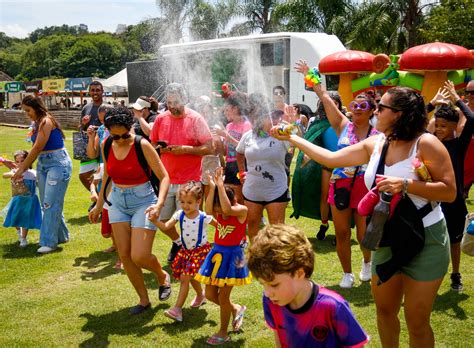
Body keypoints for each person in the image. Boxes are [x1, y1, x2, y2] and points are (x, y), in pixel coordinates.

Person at [271, 86, 456, 347]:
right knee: (385, 311)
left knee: (417, 320)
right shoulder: (377, 142)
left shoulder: (426, 143)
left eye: (381, 107)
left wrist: (404, 185)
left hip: (426, 238)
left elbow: (449, 192)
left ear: (399, 114)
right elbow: (332, 159)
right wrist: (292, 139)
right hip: (385, 235)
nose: (376, 111)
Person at [296, 60, 379, 289]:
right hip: (340, 184)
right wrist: (312, 78)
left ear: (372, 111)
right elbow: (326, 99)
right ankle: (347, 274)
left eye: (363, 106)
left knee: (363, 232)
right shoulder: (343, 125)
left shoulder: (377, 132)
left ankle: (366, 262)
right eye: (354, 104)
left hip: (364, 185)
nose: (357, 109)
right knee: (341, 233)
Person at [88, 108, 172, 315]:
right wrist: (99, 205)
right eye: (115, 136)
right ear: (108, 131)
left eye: (124, 135)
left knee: (140, 255)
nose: (120, 139)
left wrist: (159, 204)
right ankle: (143, 300)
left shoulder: (141, 145)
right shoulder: (107, 144)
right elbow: (108, 176)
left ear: (131, 128)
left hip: (144, 201)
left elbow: (164, 177)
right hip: (117, 201)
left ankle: (162, 276)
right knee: (125, 255)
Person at [247, 224, 369, 347]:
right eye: (263, 284)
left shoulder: (333, 307)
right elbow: (279, 336)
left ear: (299, 273)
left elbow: (356, 345)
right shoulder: (271, 301)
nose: (268, 292)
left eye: (274, 285)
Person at [150, 83, 214, 263]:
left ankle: (191, 257)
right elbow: (152, 144)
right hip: (166, 180)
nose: (172, 106)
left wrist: (186, 149)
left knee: (189, 222)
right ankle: (178, 243)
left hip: (189, 181)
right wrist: (159, 149)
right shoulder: (161, 119)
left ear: (184, 99)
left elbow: (210, 147)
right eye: (169, 102)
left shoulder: (196, 119)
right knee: (163, 219)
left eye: (176, 102)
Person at [195, 167, 251, 345]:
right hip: (217, 255)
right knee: (211, 294)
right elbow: (208, 210)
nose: (220, 209)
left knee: (223, 297)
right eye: (218, 205)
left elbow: (227, 208)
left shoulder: (241, 210)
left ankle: (223, 331)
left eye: (222, 204)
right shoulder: (219, 212)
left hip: (232, 257)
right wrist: (212, 188)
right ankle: (236, 309)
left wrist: (220, 185)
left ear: (233, 199)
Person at [12, 95, 72, 254]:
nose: (26, 113)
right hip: (44, 164)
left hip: (57, 163)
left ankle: (48, 242)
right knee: (47, 203)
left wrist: (21, 169)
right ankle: (62, 235)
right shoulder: (36, 123)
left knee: (49, 203)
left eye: (28, 110)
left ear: (36, 108)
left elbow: (38, 147)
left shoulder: (46, 121)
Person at [432, 81, 474, 291]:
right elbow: (412, 123)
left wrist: (458, 99)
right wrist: (432, 104)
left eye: (443, 126)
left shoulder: (459, 145)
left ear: (454, 127)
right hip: (432, 199)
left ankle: (456, 273)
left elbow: (473, 119)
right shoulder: (429, 142)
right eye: (436, 125)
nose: (439, 129)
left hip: (454, 200)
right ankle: (430, 276)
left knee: (455, 241)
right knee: (432, 241)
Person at [151, 182, 212, 322]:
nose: (185, 205)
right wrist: (155, 221)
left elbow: (221, 227)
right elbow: (166, 226)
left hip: (200, 252)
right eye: (182, 202)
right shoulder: (179, 214)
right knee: (191, 276)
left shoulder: (203, 217)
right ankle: (200, 295)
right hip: (186, 252)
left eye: (189, 202)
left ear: (198, 201)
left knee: (185, 277)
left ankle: (177, 309)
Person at [236, 109, 291, 240]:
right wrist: (242, 171)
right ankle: (255, 255)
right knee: (253, 224)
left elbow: (298, 134)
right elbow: (239, 153)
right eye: (271, 116)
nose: (274, 119)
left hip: (276, 189)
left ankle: (277, 258)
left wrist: (291, 124)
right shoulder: (249, 135)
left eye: (276, 117)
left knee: (277, 229)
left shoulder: (281, 134)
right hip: (252, 189)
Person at [214, 93, 252, 203]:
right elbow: (225, 152)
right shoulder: (229, 126)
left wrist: (226, 135)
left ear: (235, 109)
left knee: (240, 198)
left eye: (227, 110)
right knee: (228, 198)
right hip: (230, 164)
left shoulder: (246, 125)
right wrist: (218, 140)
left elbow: (244, 147)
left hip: (241, 164)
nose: (224, 113)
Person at [2, 150, 42, 248]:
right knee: (15, 218)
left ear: (29, 161)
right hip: (17, 199)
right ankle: (19, 232)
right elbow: (4, 175)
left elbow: (39, 183)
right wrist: (13, 174)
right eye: (17, 161)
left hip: (30, 200)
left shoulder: (33, 173)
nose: (20, 163)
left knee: (25, 219)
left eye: (23, 161)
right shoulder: (15, 171)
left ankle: (23, 238)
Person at [79, 81, 104, 201]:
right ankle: (99, 199)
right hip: (89, 145)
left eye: (97, 90)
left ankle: (102, 203)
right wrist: (83, 124)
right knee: (83, 175)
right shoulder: (86, 108)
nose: (95, 92)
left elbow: (114, 127)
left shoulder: (107, 107)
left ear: (102, 91)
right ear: (89, 92)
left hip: (104, 146)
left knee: (101, 175)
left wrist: (97, 128)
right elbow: (81, 127)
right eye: (93, 90)